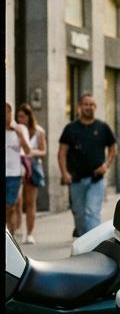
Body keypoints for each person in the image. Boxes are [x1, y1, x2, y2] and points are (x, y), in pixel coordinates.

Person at [57, 93, 118, 237]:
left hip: (96, 178)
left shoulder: (102, 127)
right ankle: (83, 240)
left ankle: (93, 245)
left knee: (92, 212)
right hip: (76, 179)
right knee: (78, 213)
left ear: (95, 107)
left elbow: (113, 148)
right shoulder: (70, 129)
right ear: (80, 107)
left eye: (92, 105)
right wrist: (64, 173)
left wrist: (107, 165)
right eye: (86, 104)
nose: (89, 107)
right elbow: (62, 152)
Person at [14, 103, 47, 244]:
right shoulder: (15, 130)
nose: (20, 119)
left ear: (29, 117)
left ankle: (30, 234)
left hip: (32, 168)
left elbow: (43, 151)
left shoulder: (39, 131)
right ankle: (17, 230)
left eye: (23, 116)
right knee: (16, 201)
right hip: (16, 168)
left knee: (30, 203)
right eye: (18, 117)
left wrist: (31, 153)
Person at [6, 103, 32, 236]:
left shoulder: (19, 130)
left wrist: (20, 136)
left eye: (8, 112)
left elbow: (27, 151)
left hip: (14, 174)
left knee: (10, 206)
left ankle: (11, 233)